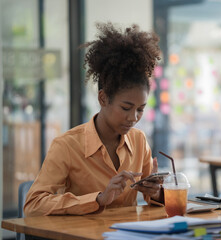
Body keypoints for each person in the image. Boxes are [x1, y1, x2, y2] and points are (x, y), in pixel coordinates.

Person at [24, 23, 163, 217]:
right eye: (126, 108)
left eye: (140, 109)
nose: (133, 118)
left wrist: (156, 192)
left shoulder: (139, 141)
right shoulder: (67, 146)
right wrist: (98, 199)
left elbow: (155, 200)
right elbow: (32, 205)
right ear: (103, 98)